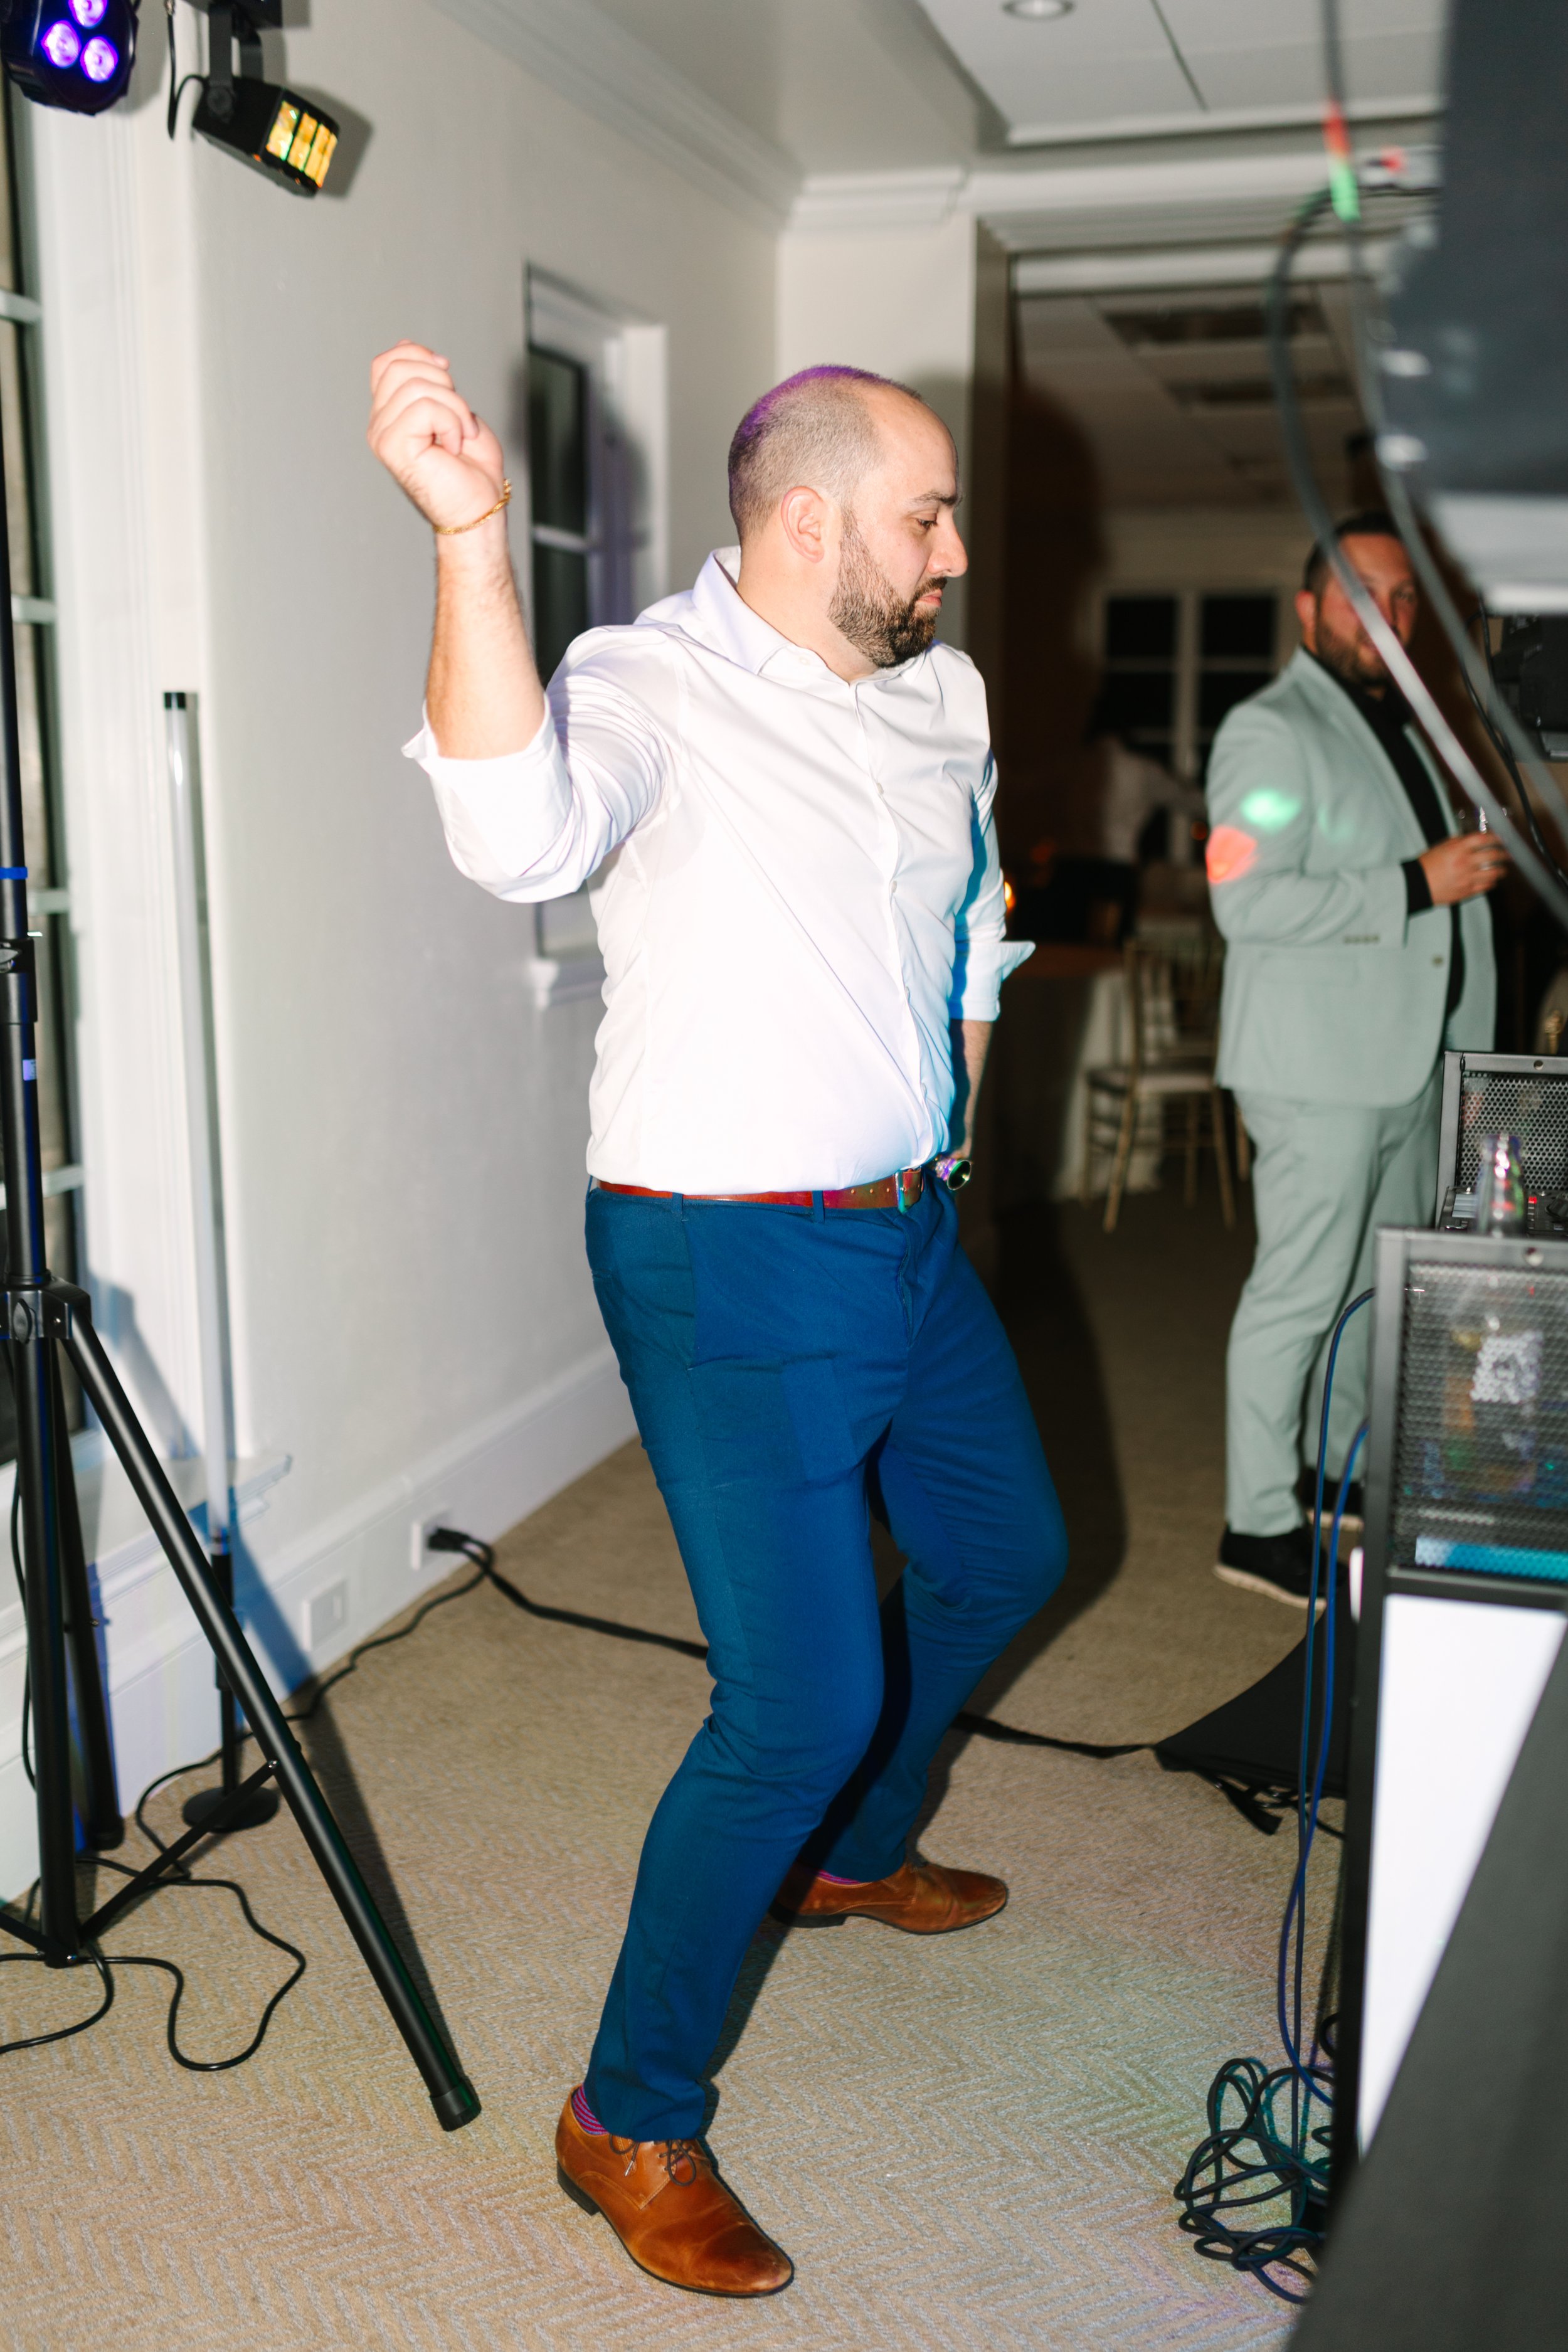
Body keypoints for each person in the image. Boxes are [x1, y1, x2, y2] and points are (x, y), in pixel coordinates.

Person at [367, 347, 1066, 2295]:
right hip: (724, 1248)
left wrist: (954, 1131)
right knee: (798, 1697)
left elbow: (971, 924)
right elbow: (513, 835)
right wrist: (472, 540)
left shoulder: (944, 697)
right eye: (922, 517)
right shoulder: (643, 680)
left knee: (1010, 1547)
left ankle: (852, 1849)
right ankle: (628, 2109)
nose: (946, 555)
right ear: (806, 518)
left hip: (905, 1228)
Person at [1206, 512, 1502, 1608]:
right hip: (1314, 1069)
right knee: (1297, 1291)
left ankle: (1336, 1474)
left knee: (1370, 1295)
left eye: (1404, 596)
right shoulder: (1267, 732)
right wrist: (1418, 883)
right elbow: (1244, 900)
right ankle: (1257, 1518)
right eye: (1359, 593)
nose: (1388, 614)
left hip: (1407, 1060)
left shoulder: (1411, 727)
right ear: (1310, 609)